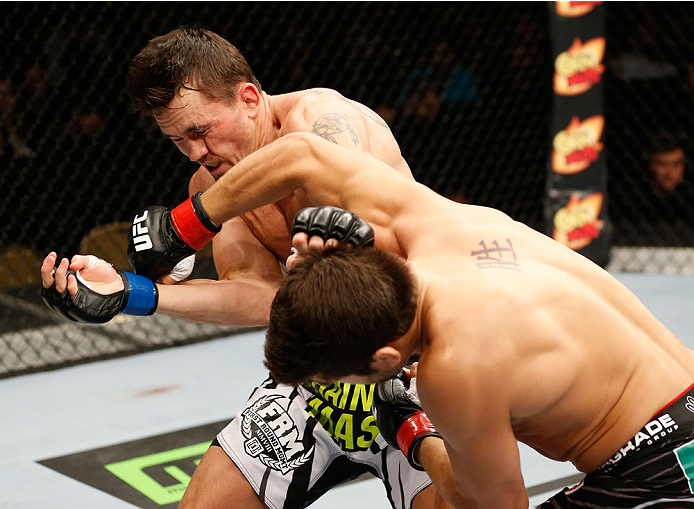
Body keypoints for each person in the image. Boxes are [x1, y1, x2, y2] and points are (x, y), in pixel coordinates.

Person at [107, 132, 694, 508]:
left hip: (657, 474)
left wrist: (410, 433)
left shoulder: (455, 369)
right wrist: (189, 224)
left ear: (387, 359)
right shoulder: (439, 225)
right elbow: (301, 154)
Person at [40, 27, 450, 509]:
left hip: (417, 364)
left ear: (250, 99)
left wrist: (190, 223)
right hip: (319, 377)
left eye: (199, 131)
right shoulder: (210, 184)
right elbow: (260, 295)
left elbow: (362, 231)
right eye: (177, 141)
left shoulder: (320, 119)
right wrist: (134, 293)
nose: (194, 153)